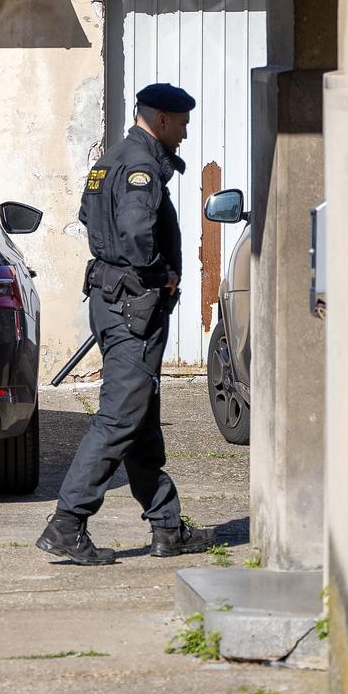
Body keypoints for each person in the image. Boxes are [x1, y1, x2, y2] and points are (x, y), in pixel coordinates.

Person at [36, 82, 217, 565]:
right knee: (120, 418)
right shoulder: (140, 167)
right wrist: (162, 274)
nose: (183, 132)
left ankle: (166, 527)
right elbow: (137, 234)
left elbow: (88, 214)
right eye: (180, 123)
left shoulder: (110, 160)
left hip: (112, 298)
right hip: (132, 306)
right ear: (160, 120)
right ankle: (67, 523)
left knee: (140, 417)